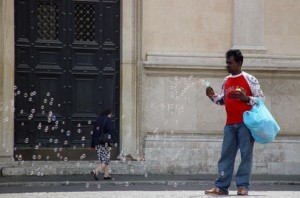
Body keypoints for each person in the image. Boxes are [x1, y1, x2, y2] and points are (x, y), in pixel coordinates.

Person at [204, 49, 265, 196]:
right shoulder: (226, 80)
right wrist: (212, 96)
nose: (227, 65)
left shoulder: (250, 79)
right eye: (226, 63)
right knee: (226, 155)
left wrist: (246, 99)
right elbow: (223, 100)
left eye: (230, 63)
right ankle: (221, 187)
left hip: (246, 124)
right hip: (230, 124)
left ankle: (243, 186)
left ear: (239, 63)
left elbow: (261, 99)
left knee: (246, 155)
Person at [90, 109, 117, 180]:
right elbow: (111, 130)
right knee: (105, 159)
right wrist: (114, 140)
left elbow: (94, 133)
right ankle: (96, 171)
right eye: (110, 114)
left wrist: (92, 145)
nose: (111, 116)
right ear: (108, 114)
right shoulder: (107, 120)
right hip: (105, 142)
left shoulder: (98, 120)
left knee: (104, 158)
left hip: (98, 143)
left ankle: (106, 175)